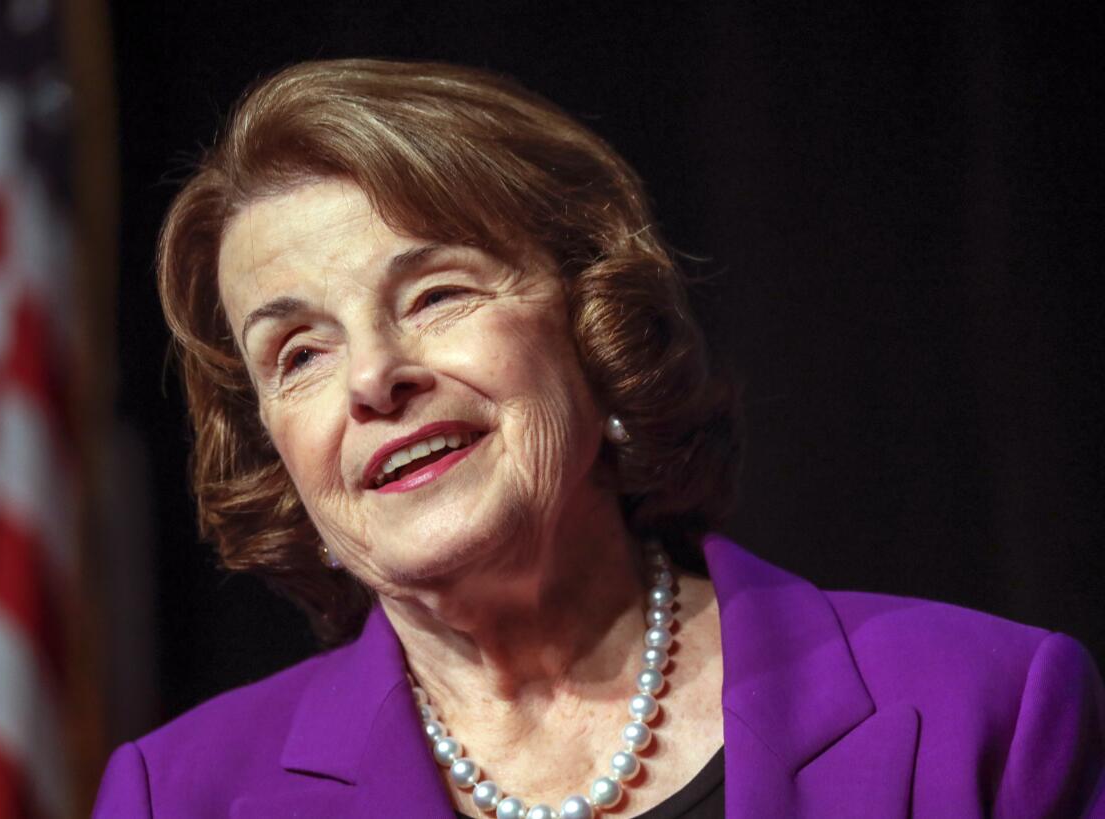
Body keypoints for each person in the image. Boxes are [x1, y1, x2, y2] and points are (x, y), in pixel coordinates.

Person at [92, 59, 1105, 818]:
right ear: (276, 454)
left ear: (594, 329)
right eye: (299, 354)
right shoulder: (178, 795)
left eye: (437, 293)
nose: (372, 378)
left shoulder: (987, 706)